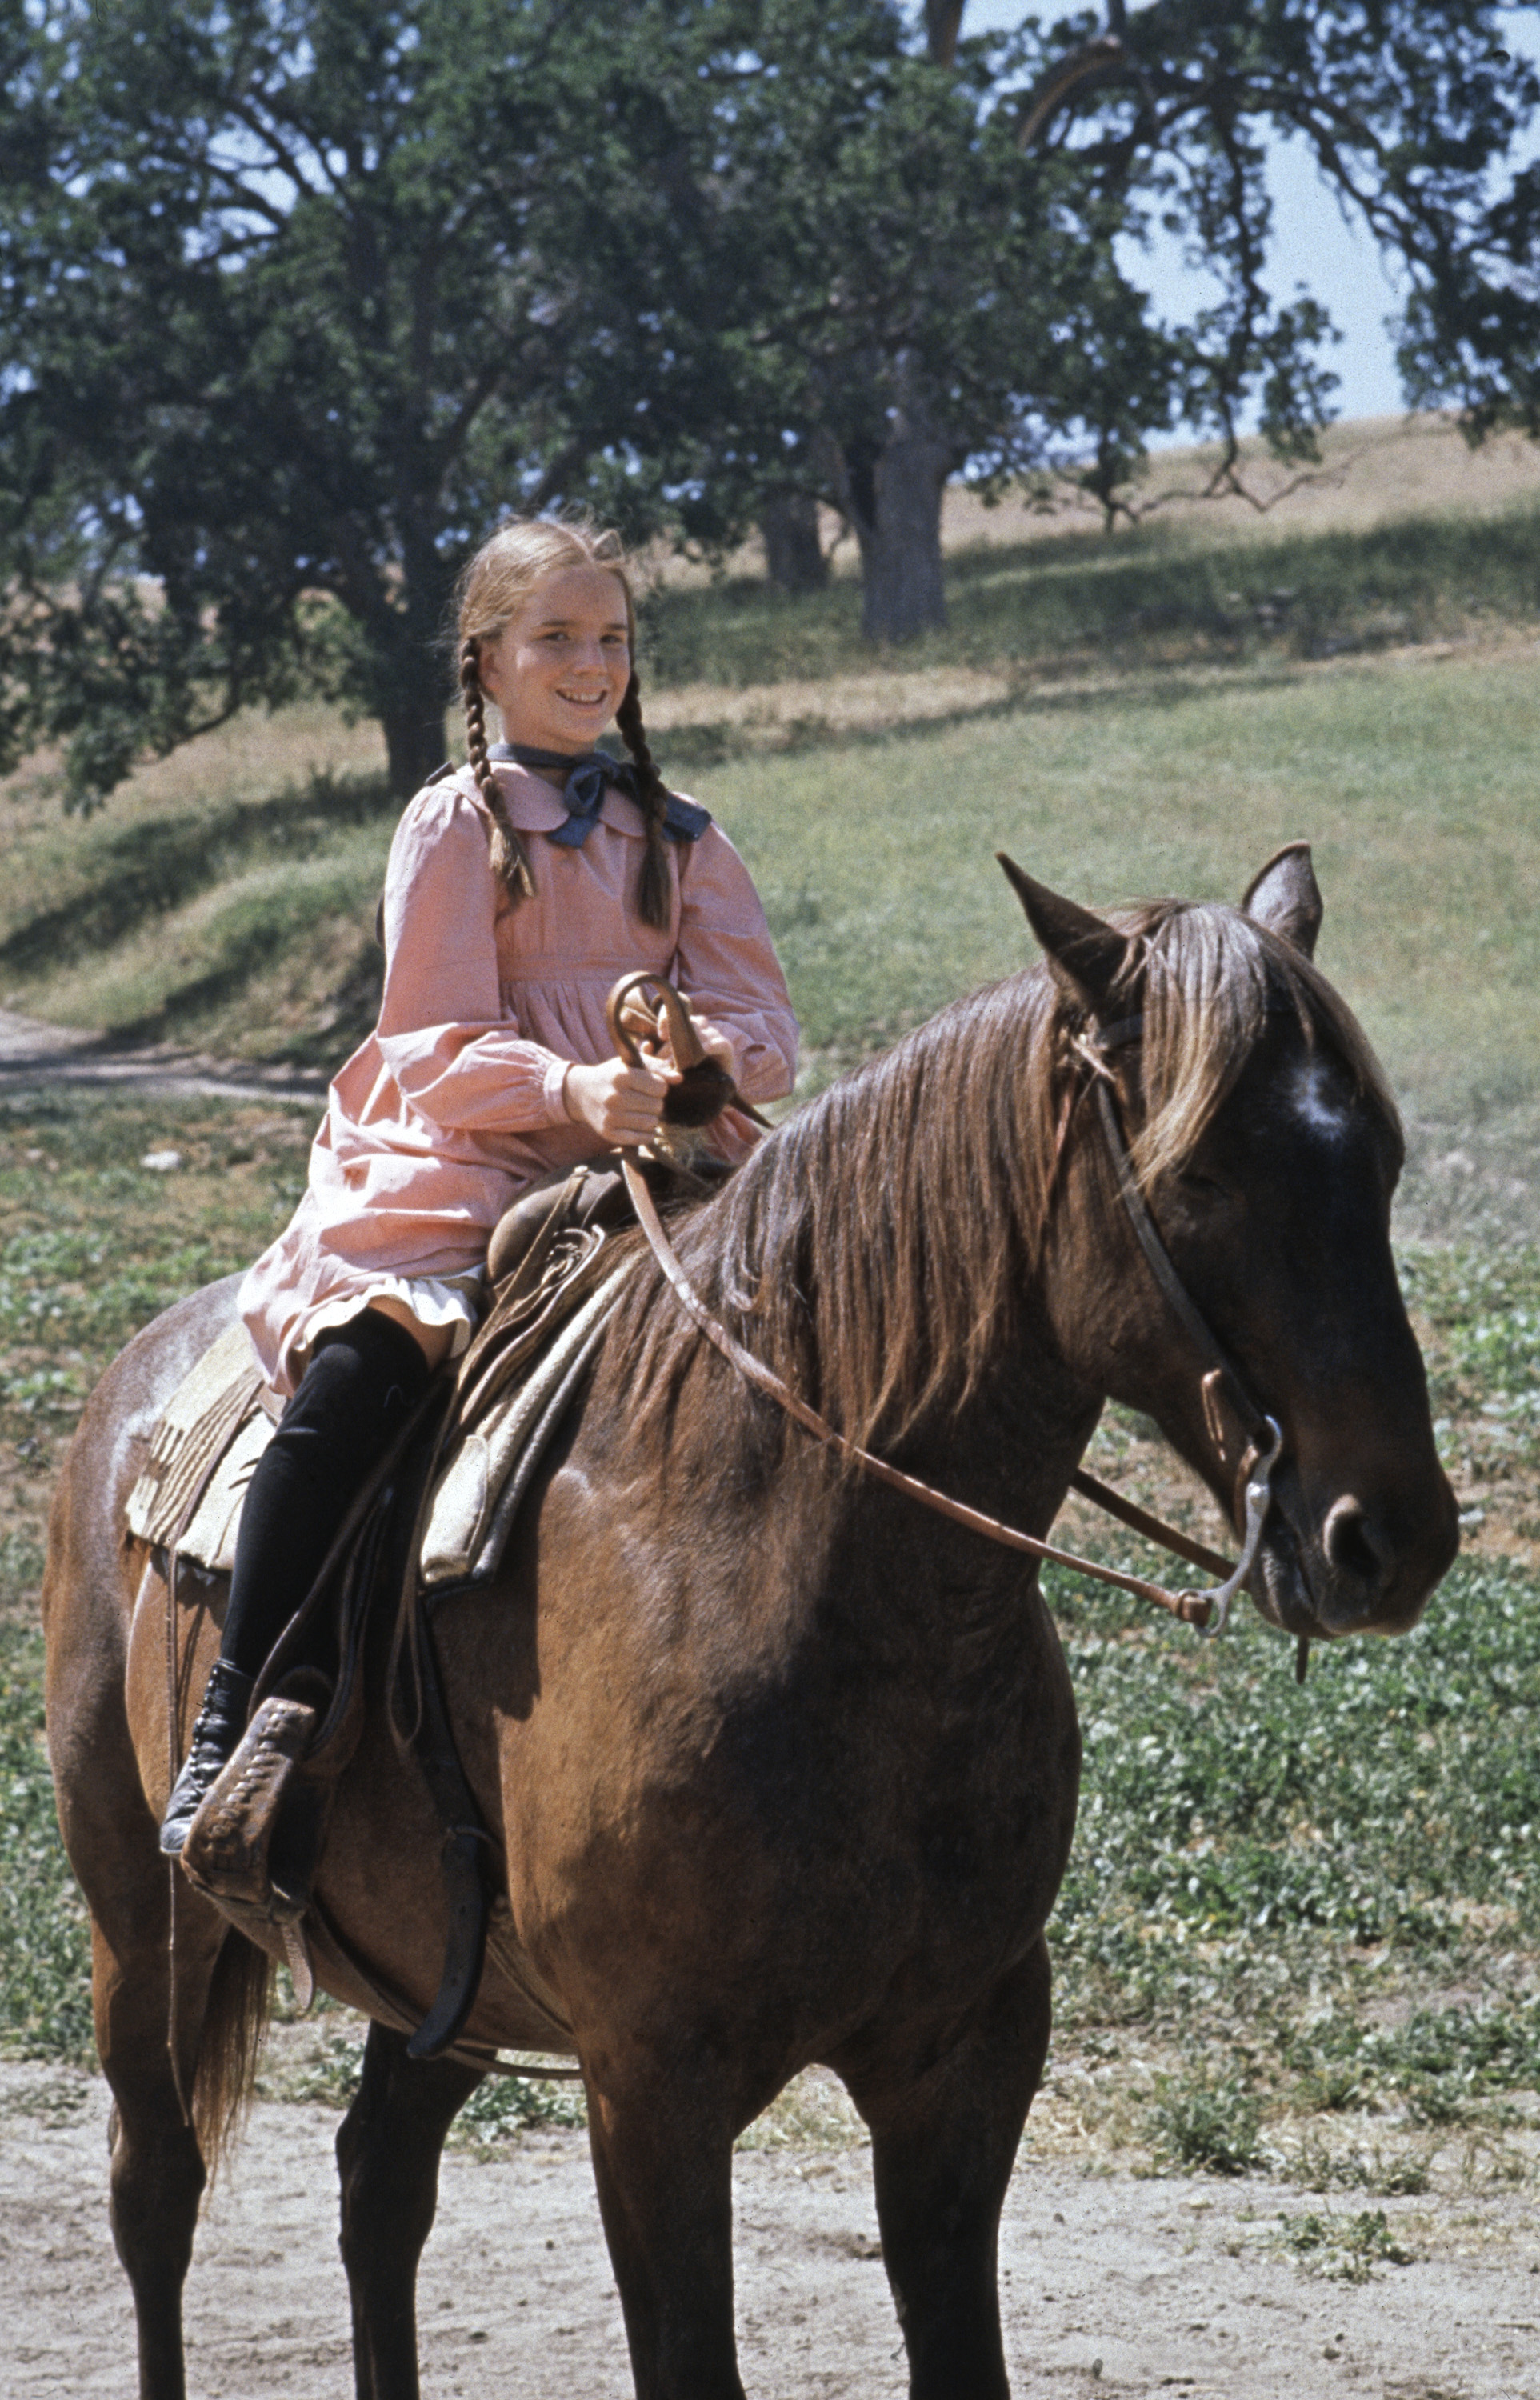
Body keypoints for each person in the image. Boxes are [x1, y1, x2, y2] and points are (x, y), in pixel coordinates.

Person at [160, 516, 799, 1854]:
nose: (591, 663)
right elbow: (429, 1043)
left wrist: (690, 1062)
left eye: (611, 638)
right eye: (555, 637)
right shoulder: (455, 824)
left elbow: (764, 1029)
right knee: (366, 1373)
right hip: (469, 1161)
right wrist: (570, 1091)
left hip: (660, 1163)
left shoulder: (679, 835)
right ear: (488, 662)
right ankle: (246, 1703)